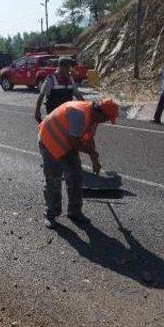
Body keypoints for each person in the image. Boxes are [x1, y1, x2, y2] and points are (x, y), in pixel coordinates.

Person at [38, 99, 119, 229]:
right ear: (101, 113)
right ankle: (51, 213)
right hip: (50, 141)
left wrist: (95, 161)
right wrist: (92, 153)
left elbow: (89, 138)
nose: (106, 121)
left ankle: (75, 212)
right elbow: (75, 142)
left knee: (76, 177)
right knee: (54, 180)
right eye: (107, 118)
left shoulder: (94, 117)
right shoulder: (79, 114)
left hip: (68, 143)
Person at [35, 57, 84, 123]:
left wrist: (87, 107)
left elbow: (78, 95)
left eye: (70, 67)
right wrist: (37, 110)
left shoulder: (70, 79)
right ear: (61, 67)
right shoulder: (51, 79)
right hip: (53, 112)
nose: (69, 70)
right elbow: (42, 95)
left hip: (66, 112)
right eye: (67, 67)